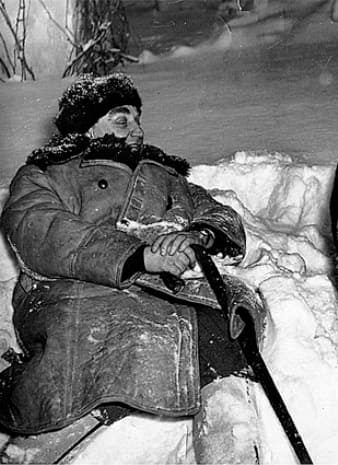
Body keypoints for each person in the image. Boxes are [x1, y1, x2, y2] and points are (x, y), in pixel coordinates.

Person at [0, 73, 265, 464]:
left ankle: (230, 436)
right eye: (122, 120)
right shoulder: (47, 173)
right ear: (85, 126)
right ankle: (50, 438)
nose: (137, 130)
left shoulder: (162, 174)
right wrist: (138, 256)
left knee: (225, 323)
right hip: (78, 292)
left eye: (137, 120)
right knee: (124, 335)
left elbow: (215, 212)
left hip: (165, 292)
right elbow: (40, 229)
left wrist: (199, 235)